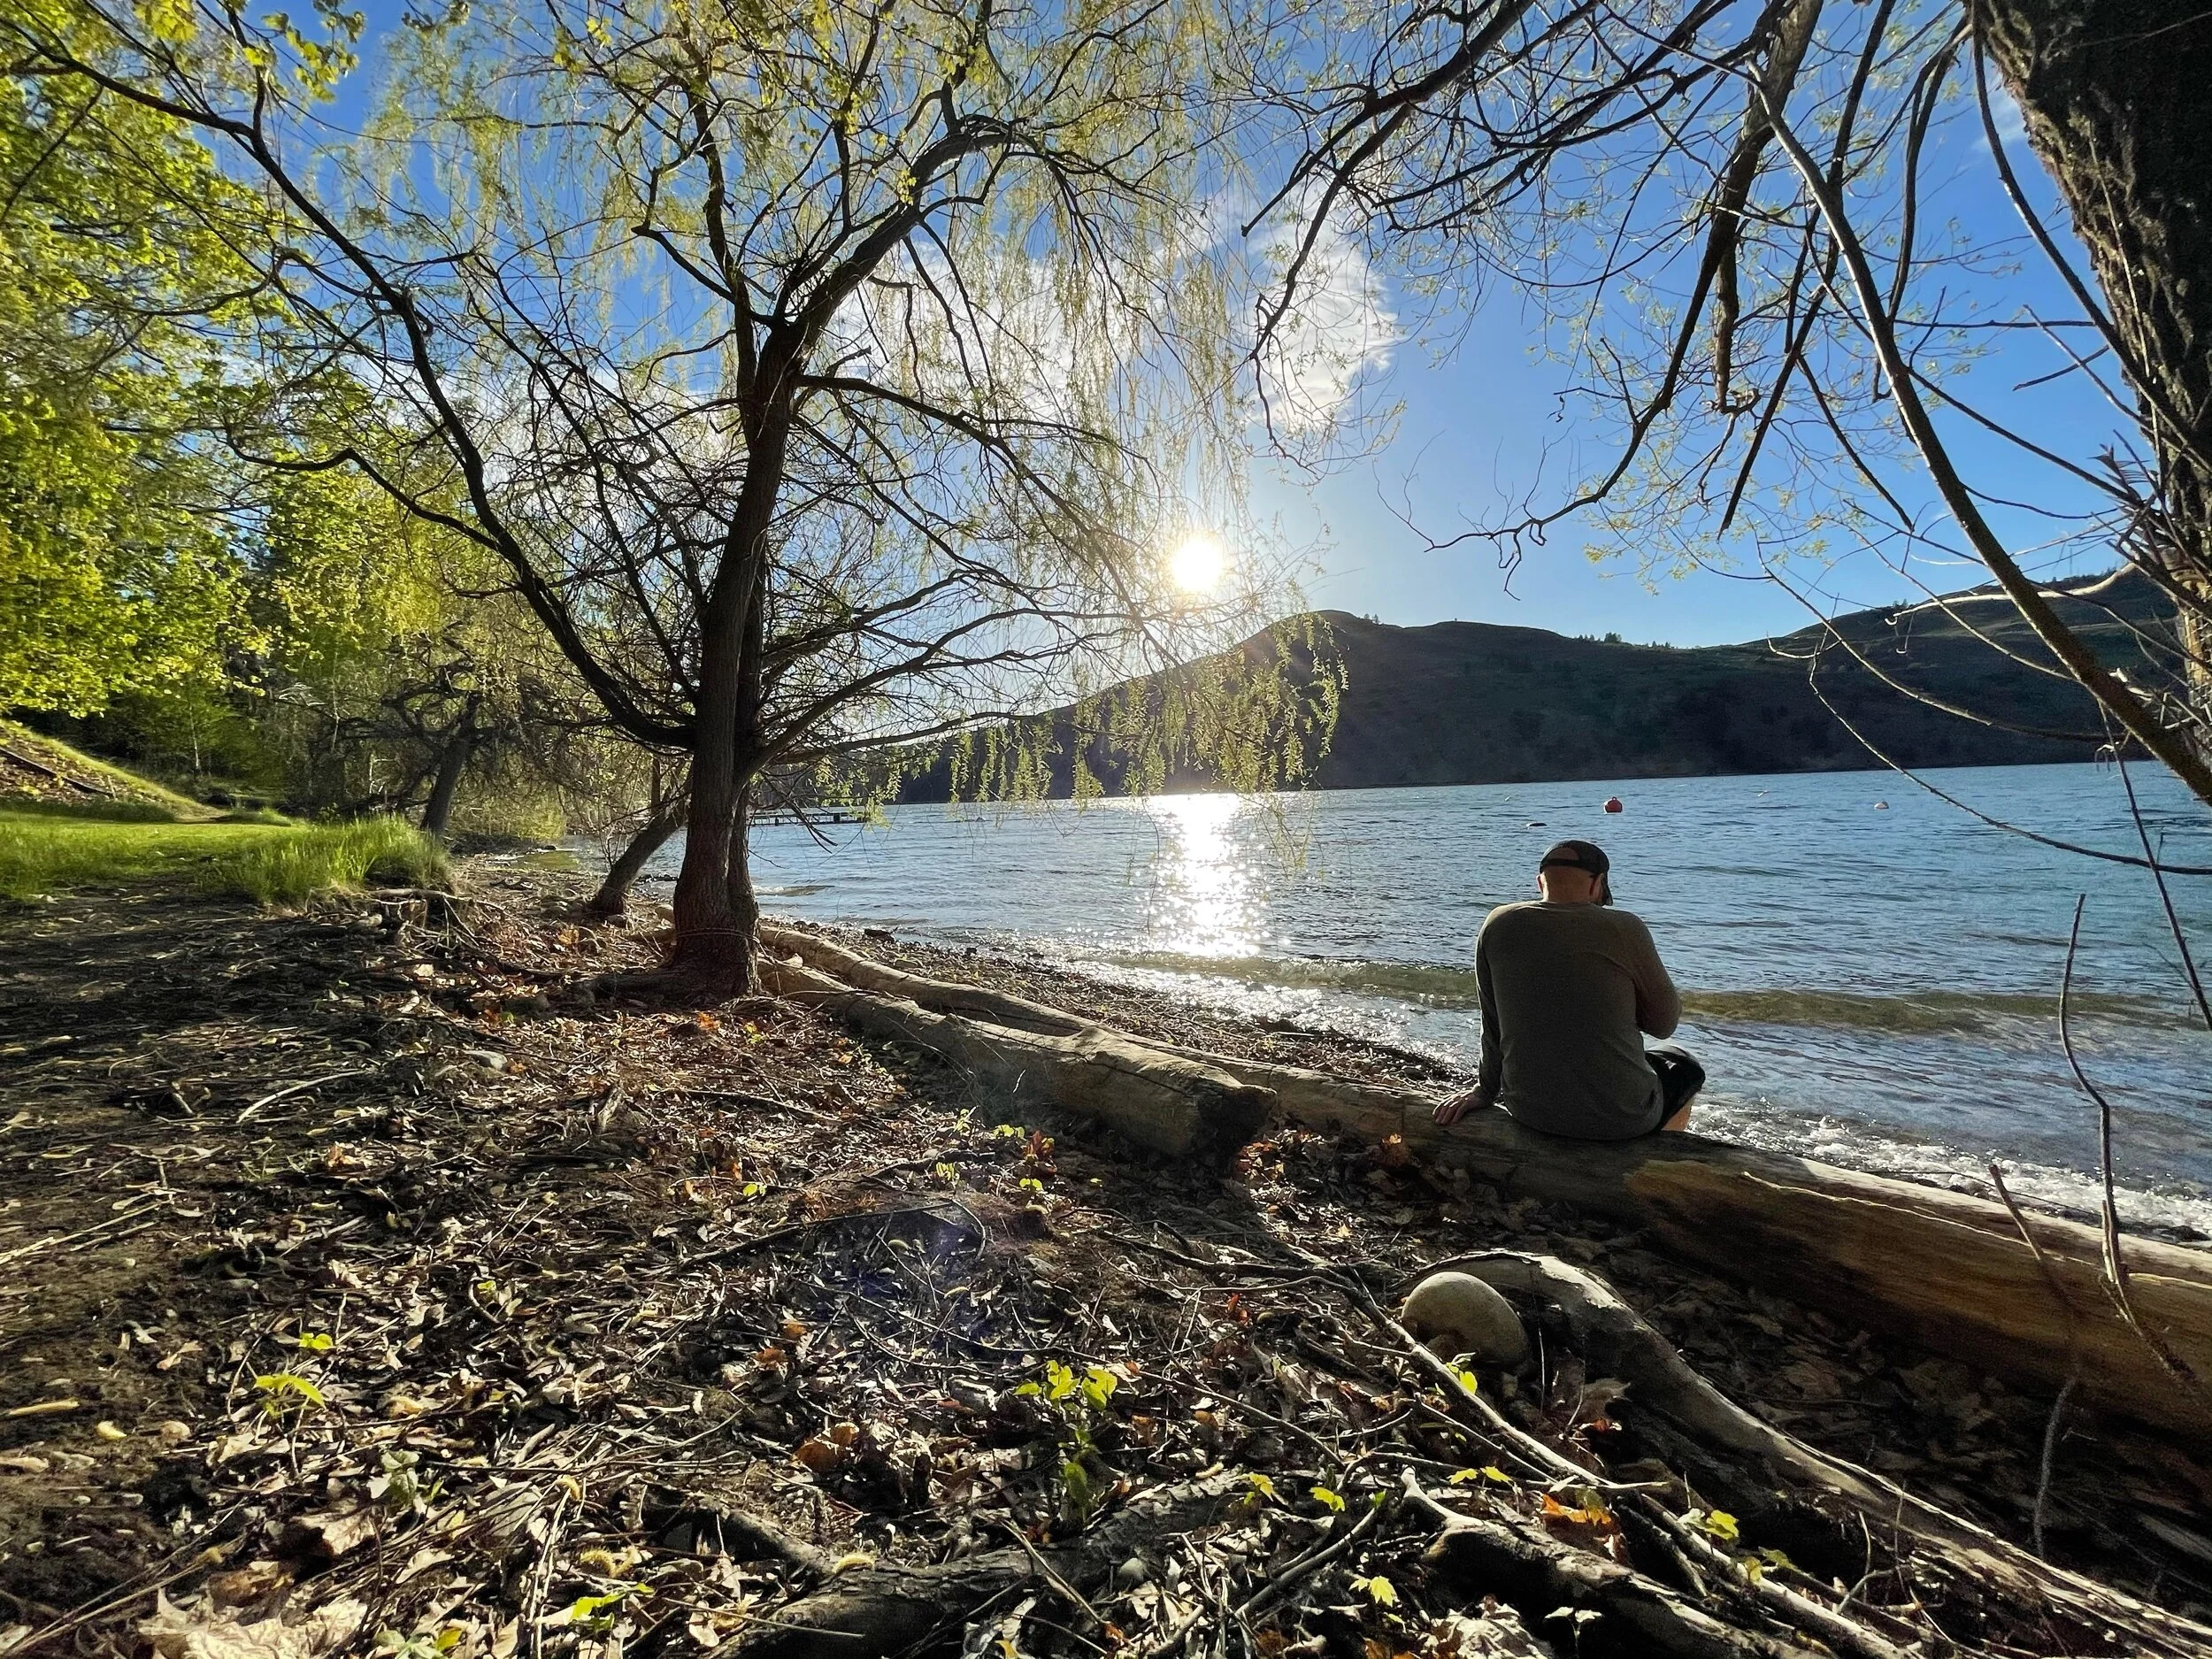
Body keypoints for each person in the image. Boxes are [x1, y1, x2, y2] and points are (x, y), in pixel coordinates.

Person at [1432, 839, 1703, 1139]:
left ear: (1540, 883)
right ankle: (1659, 1155)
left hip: (1527, 1110)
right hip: (1622, 1119)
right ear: (1597, 884)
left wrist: (1484, 1091)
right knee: (1682, 1062)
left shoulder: (1497, 922)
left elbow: (1492, 1021)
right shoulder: (1624, 927)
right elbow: (1664, 1025)